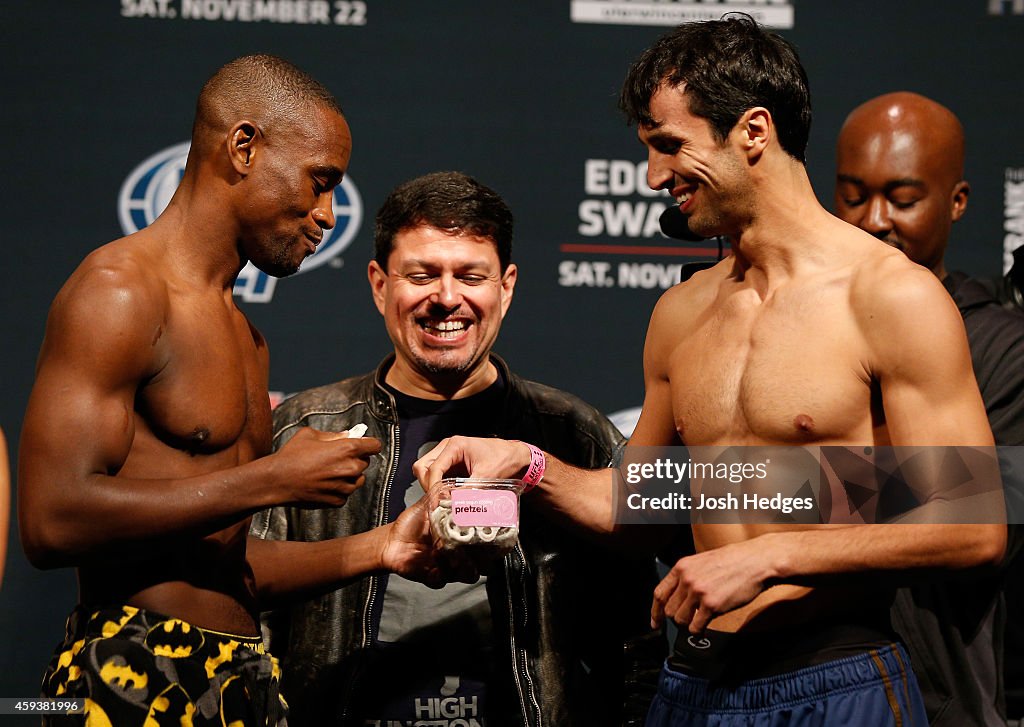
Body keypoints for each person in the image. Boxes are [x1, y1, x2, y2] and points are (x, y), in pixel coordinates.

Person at [412, 16, 1007, 727]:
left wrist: (771, 557)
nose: (656, 176)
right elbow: (640, 503)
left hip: (834, 677)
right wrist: (527, 464)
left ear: (753, 132)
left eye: (670, 146)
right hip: (693, 683)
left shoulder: (888, 295)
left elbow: (970, 523)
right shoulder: (682, 312)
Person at [18, 54, 440, 726]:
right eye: (320, 181)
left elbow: (218, 561)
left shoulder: (247, 336)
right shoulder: (121, 291)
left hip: (240, 676)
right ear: (243, 147)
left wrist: (384, 545)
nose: (328, 214)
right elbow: (51, 519)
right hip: (129, 670)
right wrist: (272, 479)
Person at [250, 170, 661, 726]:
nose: (447, 299)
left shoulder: (572, 431)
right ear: (378, 284)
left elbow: (635, 636)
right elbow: (252, 615)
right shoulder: (306, 426)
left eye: (471, 276)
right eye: (422, 275)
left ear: (506, 286)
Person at [835, 91, 1024, 726]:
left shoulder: (1003, 344)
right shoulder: (797, 323)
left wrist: (755, 481)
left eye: (903, 198)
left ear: (958, 201)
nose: (874, 220)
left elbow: (970, 511)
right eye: (853, 195)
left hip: (935, 696)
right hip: (798, 686)